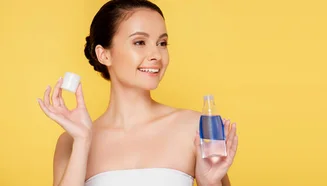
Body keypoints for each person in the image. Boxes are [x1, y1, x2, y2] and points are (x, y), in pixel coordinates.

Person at [36, 0, 238, 185]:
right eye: (139, 42)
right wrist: (82, 142)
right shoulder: (70, 141)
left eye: (162, 43)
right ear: (104, 54)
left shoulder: (195, 128)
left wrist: (209, 181)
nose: (156, 55)